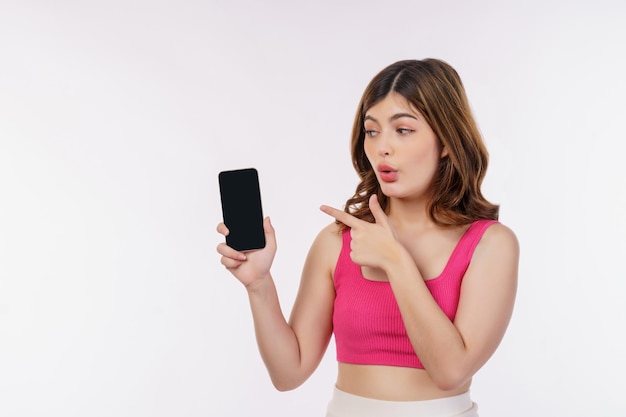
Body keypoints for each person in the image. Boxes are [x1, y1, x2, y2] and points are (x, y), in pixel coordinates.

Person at [216, 58, 519, 417]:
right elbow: (288, 373)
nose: (382, 148)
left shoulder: (490, 244)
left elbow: (451, 371)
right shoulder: (336, 242)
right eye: (372, 131)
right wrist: (259, 284)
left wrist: (394, 259)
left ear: (447, 143)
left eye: (403, 130)